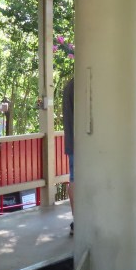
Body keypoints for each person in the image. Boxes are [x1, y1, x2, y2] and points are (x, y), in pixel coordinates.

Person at [62, 77, 75, 236]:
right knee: (76, 180)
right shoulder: (82, 86)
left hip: (72, 142)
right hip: (85, 144)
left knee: (74, 179)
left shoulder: (69, 86)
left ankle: (77, 220)